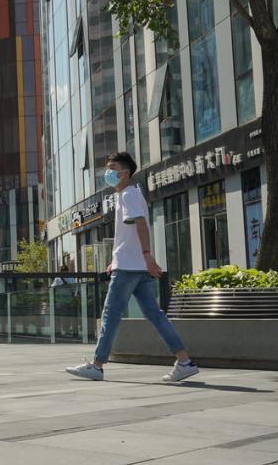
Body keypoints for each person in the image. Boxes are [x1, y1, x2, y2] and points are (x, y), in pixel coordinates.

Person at [67, 152, 199, 383]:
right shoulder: (131, 194)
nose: (107, 172)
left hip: (129, 268)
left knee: (111, 315)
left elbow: (140, 225)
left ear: (124, 173)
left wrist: (147, 256)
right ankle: (184, 361)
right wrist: (118, 259)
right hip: (133, 265)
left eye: (112, 168)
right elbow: (129, 234)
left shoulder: (127, 195)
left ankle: (97, 366)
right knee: (156, 316)